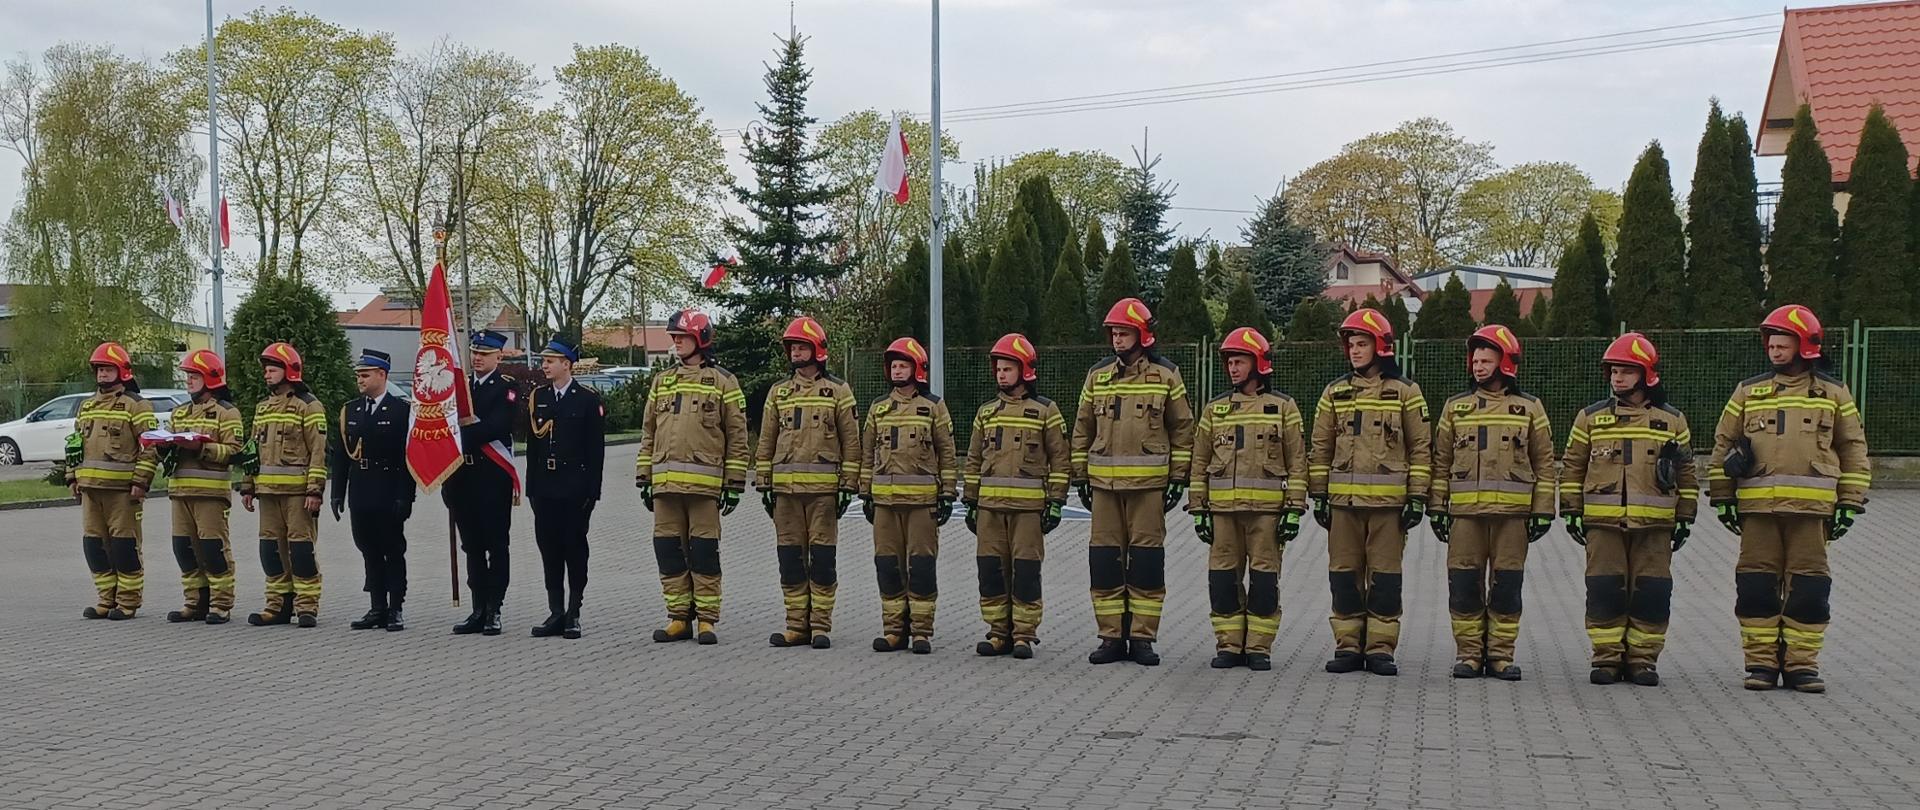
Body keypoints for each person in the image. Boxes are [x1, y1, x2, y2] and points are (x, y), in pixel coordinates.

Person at [1709, 305, 1870, 694]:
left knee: (1810, 590)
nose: (1775, 352)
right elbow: (1723, 445)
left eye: (1783, 345)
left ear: (1806, 346)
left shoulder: (1833, 393)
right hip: (1758, 511)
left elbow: (1853, 448)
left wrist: (1850, 501)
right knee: (1756, 588)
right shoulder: (1748, 392)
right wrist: (1722, 497)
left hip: (1812, 513)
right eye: (1771, 345)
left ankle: (1802, 666)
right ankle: (1761, 664)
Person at [1560, 332, 1696, 687]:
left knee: (1651, 593)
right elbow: (1572, 467)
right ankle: (1606, 659)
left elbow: (1687, 473)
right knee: (1605, 590)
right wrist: (1572, 509)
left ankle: (1643, 661)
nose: (1616, 378)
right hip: (1603, 525)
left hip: (1655, 526)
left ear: (1646, 375)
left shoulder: (1672, 421)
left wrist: (1686, 516)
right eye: (1613, 371)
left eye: (1625, 371)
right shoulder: (1590, 419)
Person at [1069, 298, 1195, 666]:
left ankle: (1141, 638)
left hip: (1148, 489)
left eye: (1124, 333)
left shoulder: (1166, 376)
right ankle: (1110, 637)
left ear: (1142, 336)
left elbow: (1183, 428)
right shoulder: (1097, 376)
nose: (1117, 340)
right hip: (1104, 488)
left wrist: (1178, 479)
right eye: (1114, 334)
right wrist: (1081, 476)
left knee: (1145, 564)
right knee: (1105, 564)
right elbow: (1082, 428)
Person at [1308, 308, 1430, 676]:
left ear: (1381, 347)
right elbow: (1320, 447)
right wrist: (1319, 496)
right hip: (1343, 505)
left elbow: (1421, 447)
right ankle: (1347, 647)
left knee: (1385, 577)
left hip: (1388, 508)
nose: (1355, 351)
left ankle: (1380, 649)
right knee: (1343, 575)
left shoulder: (1406, 393)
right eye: (1351, 345)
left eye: (1362, 344)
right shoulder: (1335, 393)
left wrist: (1417, 498)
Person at [1427, 325, 1553, 681]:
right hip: (1466, 515)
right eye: (1475, 360)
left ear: (1506, 363)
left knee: (1506, 585)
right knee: (1464, 584)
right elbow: (1441, 460)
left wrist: (1543, 509)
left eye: (1486, 360)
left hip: (1512, 517)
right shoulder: (1455, 407)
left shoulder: (1529, 408)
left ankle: (1500, 655)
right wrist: (1437, 507)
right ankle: (1468, 654)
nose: (1478, 366)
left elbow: (1544, 462)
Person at [1188, 327, 1306, 671]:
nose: (1233, 369)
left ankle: (1258, 647)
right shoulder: (1214, 411)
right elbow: (1199, 462)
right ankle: (1228, 646)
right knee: (1222, 580)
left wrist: (1294, 509)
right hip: (1223, 512)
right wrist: (1199, 509)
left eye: (1240, 361)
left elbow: (1298, 461)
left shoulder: (1283, 408)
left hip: (1267, 514)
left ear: (1258, 364)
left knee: (1264, 581)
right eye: (1230, 362)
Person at [637, 308, 748, 646]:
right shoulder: (662, 381)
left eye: (681, 338)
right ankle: (678, 618)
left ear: (700, 340)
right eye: (674, 339)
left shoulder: (723, 382)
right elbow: (648, 432)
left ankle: (707, 620)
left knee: (703, 552)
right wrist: (645, 477)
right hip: (666, 487)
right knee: (668, 551)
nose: (676, 344)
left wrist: (734, 484)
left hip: (705, 488)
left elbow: (738, 436)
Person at [754, 316, 860, 649]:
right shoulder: (779, 393)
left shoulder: (838, 392)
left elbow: (851, 442)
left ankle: (820, 626)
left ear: (817, 350)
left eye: (801, 347)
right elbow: (766, 440)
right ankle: (796, 625)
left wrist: (848, 486)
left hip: (824, 494)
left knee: (823, 559)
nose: (796, 353)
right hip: (785, 494)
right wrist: (764, 484)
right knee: (791, 560)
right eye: (793, 348)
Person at [964, 333, 1069, 659]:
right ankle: (997, 633)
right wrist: (970, 501)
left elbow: (1060, 459)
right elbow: (973, 459)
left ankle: (1024, 635)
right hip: (990, 509)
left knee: (1025, 571)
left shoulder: (1046, 412)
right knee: (991, 571)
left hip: (1027, 510)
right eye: (998, 369)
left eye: (1008, 369)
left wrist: (1055, 502)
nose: (1001, 374)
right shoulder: (986, 413)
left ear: (1024, 371)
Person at [860, 337, 958, 654]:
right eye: (894, 366)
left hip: (921, 505)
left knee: (921, 566)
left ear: (917, 369)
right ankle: (893, 631)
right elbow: (866, 453)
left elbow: (947, 452)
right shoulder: (879, 407)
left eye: (903, 365)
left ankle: (921, 632)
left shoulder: (933, 407)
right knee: (888, 566)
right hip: (886, 504)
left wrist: (947, 493)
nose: (898, 371)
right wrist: (866, 493)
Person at [70, 342, 160, 620]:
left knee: (124, 547)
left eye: (108, 369)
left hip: (123, 492)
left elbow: (151, 446)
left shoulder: (137, 406)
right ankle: (105, 599)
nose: (102, 375)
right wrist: (72, 476)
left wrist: (141, 481)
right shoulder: (87, 406)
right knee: (95, 547)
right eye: (99, 370)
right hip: (90, 491)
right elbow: (74, 445)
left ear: (122, 371)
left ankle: (128, 601)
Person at [241, 342, 328, 627]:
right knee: (271, 552)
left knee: (301, 551)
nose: (267, 375)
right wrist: (248, 485)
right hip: (267, 494)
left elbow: (318, 450)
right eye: (265, 370)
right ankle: (277, 606)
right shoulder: (262, 408)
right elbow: (252, 448)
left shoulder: (308, 406)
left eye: (272, 370)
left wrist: (315, 490)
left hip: (297, 495)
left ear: (289, 371)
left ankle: (306, 607)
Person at [329, 349, 417, 632]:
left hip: (389, 489)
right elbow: (341, 456)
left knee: (392, 549)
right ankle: (376, 607)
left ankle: (395, 608)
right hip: (361, 490)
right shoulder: (351, 410)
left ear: (382, 375)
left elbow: (408, 458)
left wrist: (406, 496)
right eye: (358, 375)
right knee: (368, 549)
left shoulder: (401, 411)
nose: (360, 380)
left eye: (365, 375)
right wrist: (337, 493)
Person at [526, 338, 605, 640]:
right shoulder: (539, 397)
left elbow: (595, 452)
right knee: (549, 549)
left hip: (574, 488)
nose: (544, 366)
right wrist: (532, 489)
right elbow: (533, 450)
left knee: (574, 548)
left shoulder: (587, 399)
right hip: (545, 488)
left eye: (550, 361)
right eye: (544, 361)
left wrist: (592, 493)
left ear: (567, 364)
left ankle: (574, 612)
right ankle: (555, 612)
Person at [163, 350, 245, 624]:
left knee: (213, 549)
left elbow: (235, 452)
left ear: (211, 378)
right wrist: (164, 447)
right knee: (183, 549)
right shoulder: (179, 412)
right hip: (180, 492)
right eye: (187, 376)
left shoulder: (227, 413)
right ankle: (194, 602)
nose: (188, 381)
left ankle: (220, 604)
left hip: (210, 495)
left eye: (194, 376)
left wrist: (201, 447)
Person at [448, 330, 520, 636]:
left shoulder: (506, 388)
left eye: (484, 353)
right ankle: (477, 608)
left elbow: (496, 427)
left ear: (498, 357)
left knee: (495, 545)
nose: (477, 357)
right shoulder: (459, 388)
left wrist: (454, 438)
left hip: (492, 478)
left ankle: (495, 608)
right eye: (475, 352)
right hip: (463, 478)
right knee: (472, 547)